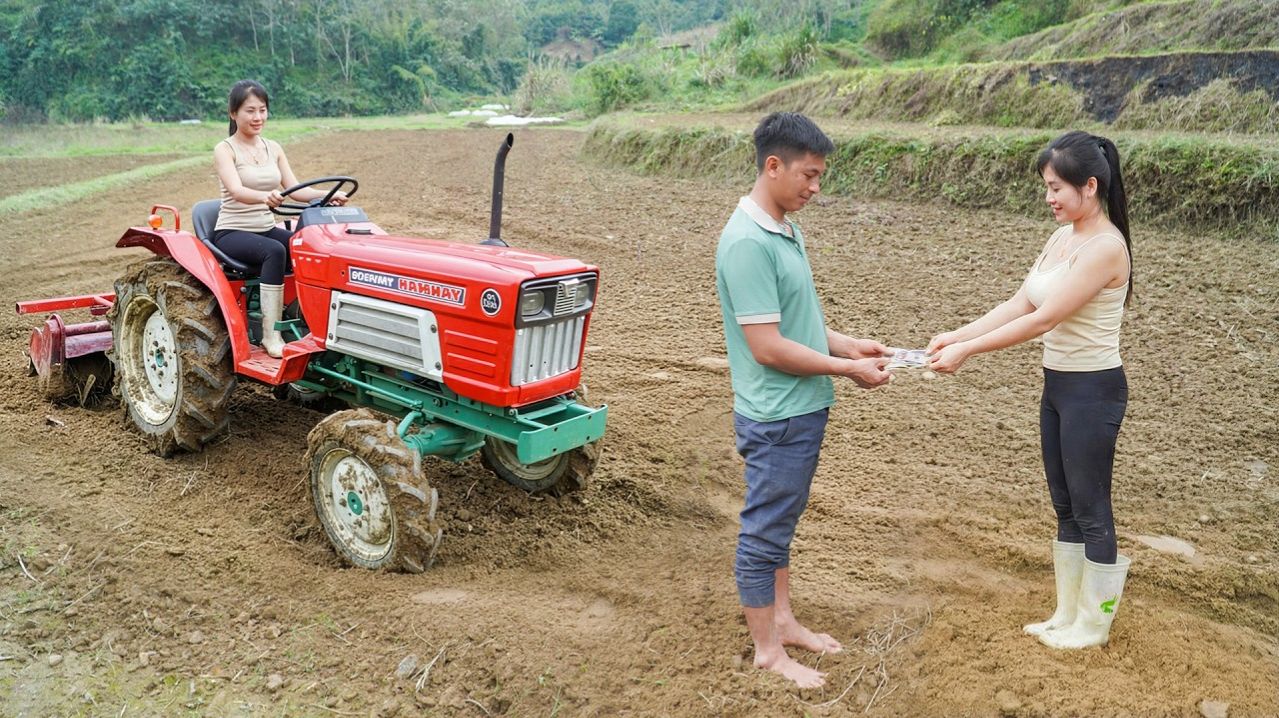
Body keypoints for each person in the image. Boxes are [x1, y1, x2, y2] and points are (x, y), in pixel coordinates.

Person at [927, 130, 1134, 650]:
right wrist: (958, 333)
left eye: (1056, 188)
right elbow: (1021, 303)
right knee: (1064, 506)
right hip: (1059, 387)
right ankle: (1067, 614)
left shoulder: (1107, 247)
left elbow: (1044, 320)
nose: (1049, 198)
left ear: (1090, 186)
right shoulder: (1061, 237)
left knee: (1092, 509)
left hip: (1093, 391)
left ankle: (1094, 623)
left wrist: (968, 353)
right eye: (1045, 187)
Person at [715, 112, 892, 688]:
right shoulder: (746, 242)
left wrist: (850, 343)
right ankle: (769, 650)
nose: (816, 188)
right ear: (773, 166)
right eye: (809, 176)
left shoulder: (785, 228)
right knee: (764, 529)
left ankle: (785, 621)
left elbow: (797, 324)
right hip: (777, 414)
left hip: (801, 407)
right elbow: (767, 347)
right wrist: (846, 368)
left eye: (819, 177)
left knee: (782, 522)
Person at [212, 79, 346, 358]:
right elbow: (236, 191)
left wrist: (329, 194)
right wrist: (264, 198)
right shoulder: (225, 149)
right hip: (232, 231)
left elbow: (297, 190)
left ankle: (310, 319)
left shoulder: (273, 147)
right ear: (233, 113)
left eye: (262, 110)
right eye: (250, 111)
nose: (257, 117)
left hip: (263, 227)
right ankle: (270, 336)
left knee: (306, 245)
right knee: (274, 250)